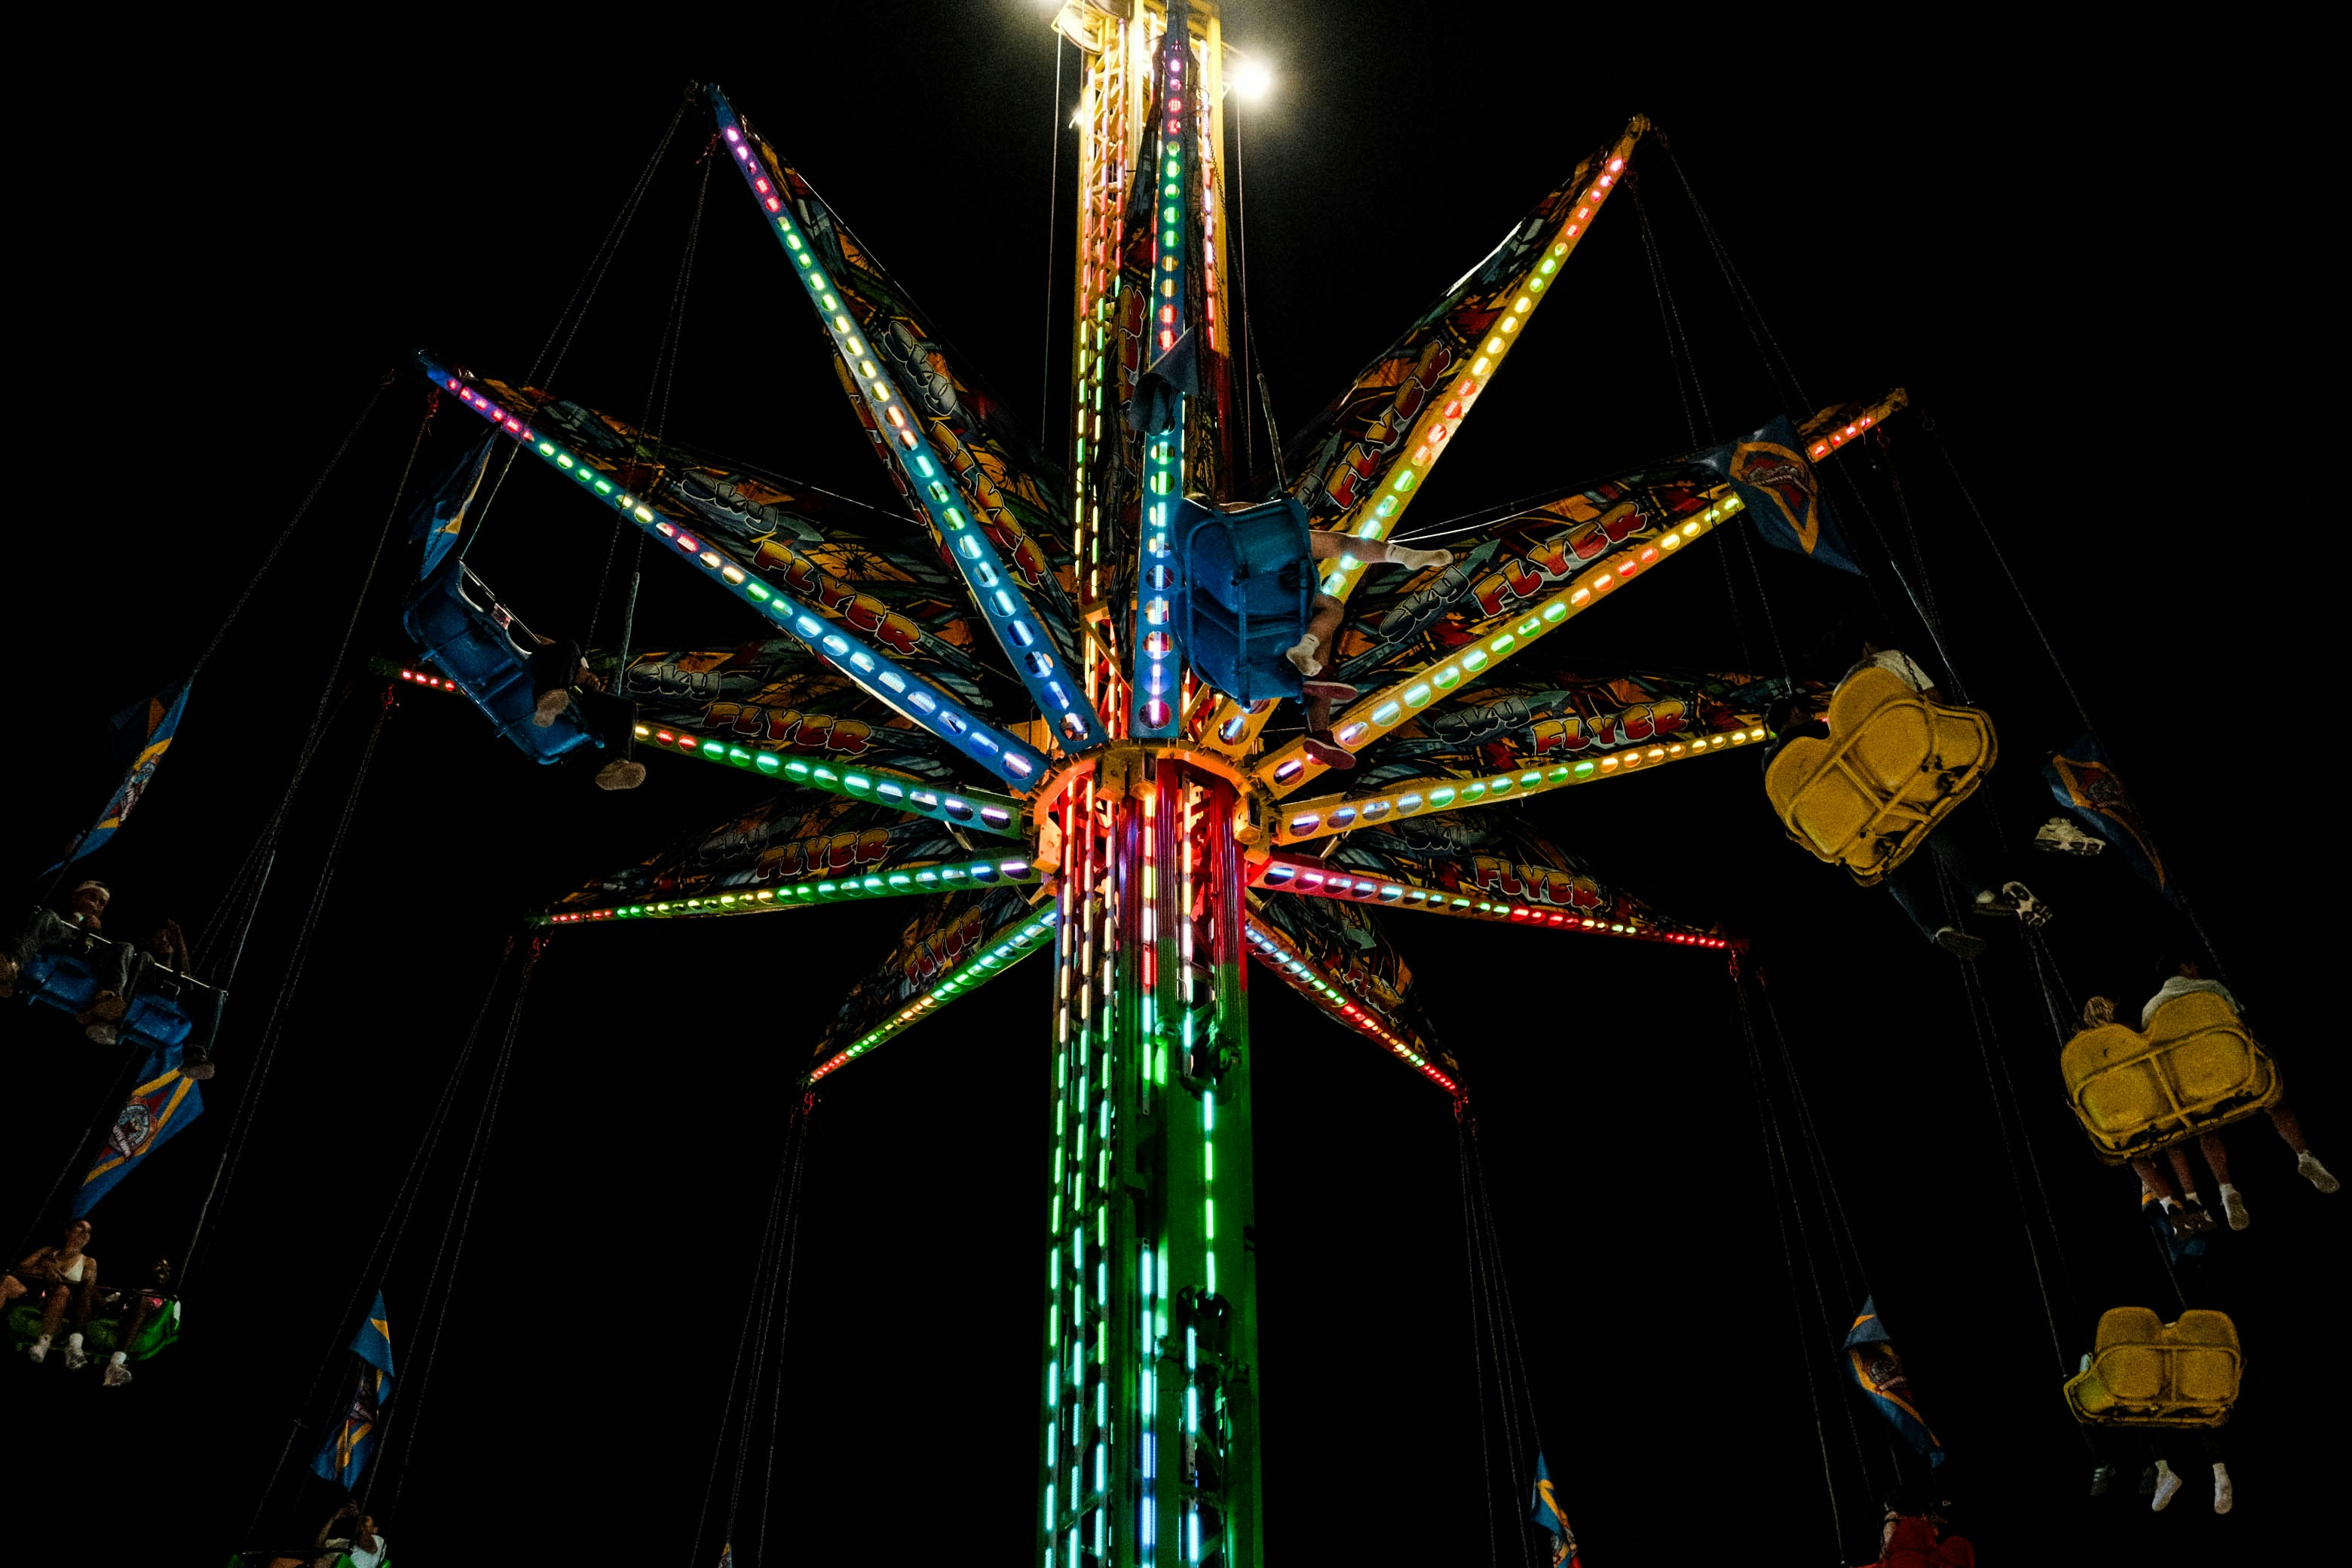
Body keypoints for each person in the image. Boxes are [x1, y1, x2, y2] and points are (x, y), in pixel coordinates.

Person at [1768, 621, 2047, 960]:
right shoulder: (1831, 720)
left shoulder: (1773, 767)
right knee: (1936, 816)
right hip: (1898, 773)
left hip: (1849, 824)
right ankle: (1988, 887)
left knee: (1891, 862)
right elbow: (1932, 702)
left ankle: (1937, 928)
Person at [2097, 956, 2338, 1232]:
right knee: (2275, 1100)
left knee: (2206, 1129)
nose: (2197, 971)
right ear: (2185, 967)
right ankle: (2305, 1155)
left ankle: (2226, 1189)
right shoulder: (2210, 988)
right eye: (2194, 967)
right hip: (2239, 1076)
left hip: (2197, 1092)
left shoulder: (2151, 1010)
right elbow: (2242, 1024)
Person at [1282, 532, 1452, 770]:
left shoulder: (1221, 525)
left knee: (1321, 628)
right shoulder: (1260, 523)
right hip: (1273, 597)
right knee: (1332, 607)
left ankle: (1320, 727)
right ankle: (1402, 555)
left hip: (1236, 603)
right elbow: (1340, 543)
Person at [2, 880, 136, 1035]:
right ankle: (11, 965)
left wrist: (95, 934)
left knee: (127, 947)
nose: (96, 905)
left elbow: (101, 954)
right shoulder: (57, 920)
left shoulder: (97, 930)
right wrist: (79, 921)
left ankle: (108, 998)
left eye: (102, 903)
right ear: (76, 898)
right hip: (60, 945)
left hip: (89, 958)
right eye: (92, 897)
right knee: (48, 915)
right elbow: (50, 930)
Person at [528, 633, 646, 791]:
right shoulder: (566, 650)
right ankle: (547, 700)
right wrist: (573, 663)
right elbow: (534, 639)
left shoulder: (578, 657)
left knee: (627, 707)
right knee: (570, 647)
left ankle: (616, 763)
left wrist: (591, 683)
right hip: (553, 675)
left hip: (579, 694)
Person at [5, 1217, 101, 1368]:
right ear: (67, 1232)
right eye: (80, 1228)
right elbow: (21, 1268)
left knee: (62, 1290)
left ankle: (44, 1341)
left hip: (65, 1303)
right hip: (39, 1296)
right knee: (8, 1280)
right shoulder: (49, 1251)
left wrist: (59, 1277)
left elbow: (86, 1289)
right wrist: (43, 1270)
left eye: (89, 1232)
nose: (84, 1234)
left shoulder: (89, 1261)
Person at [93, 1256, 174, 1387]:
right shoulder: (129, 1292)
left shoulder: (167, 1300)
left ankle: (115, 1364)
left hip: (142, 1325)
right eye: (160, 1266)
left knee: (143, 1305)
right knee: (90, 1288)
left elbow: (172, 1327)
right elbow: (106, 1305)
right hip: (119, 1318)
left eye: (167, 1270)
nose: (163, 1271)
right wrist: (121, 1303)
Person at [311, 1500, 390, 1568]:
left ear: (375, 1529)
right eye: (361, 1520)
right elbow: (317, 1546)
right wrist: (333, 1519)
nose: (361, 1523)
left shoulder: (379, 1541)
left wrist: (359, 1516)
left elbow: (369, 1547)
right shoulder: (344, 1542)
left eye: (364, 1521)